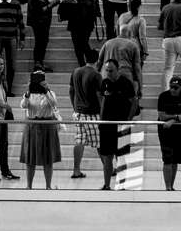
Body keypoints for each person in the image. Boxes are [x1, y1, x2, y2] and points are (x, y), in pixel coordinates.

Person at [20, 70, 62, 190]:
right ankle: (29, 186)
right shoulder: (29, 93)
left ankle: (48, 186)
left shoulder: (50, 93)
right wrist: (28, 93)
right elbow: (23, 105)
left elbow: (54, 104)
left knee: (48, 158)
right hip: (32, 125)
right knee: (30, 157)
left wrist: (46, 90)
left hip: (47, 125)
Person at [98, 58, 136, 190]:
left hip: (121, 125)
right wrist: (101, 120)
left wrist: (128, 120)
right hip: (107, 125)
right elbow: (102, 101)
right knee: (107, 156)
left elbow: (134, 102)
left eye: (111, 70)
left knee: (121, 156)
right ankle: (107, 184)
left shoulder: (126, 83)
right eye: (106, 70)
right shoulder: (105, 83)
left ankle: (122, 184)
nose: (108, 73)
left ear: (117, 70)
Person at [69, 47, 103, 180]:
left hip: (78, 112)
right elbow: (99, 95)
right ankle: (108, 167)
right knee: (101, 142)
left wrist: (74, 107)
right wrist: (102, 111)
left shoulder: (76, 71)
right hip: (93, 112)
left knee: (79, 141)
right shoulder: (96, 75)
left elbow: (71, 91)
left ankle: (76, 170)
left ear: (84, 58)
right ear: (98, 60)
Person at [157, 75, 181, 190]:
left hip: (178, 130)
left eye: (176, 88)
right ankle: (168, 187)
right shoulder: (163, 96)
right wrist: (177, 116)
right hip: (165, 131)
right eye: (171, 87)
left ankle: (171, 186)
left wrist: (173, 119)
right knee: (167, 159)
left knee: (175, 159)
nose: (173, 89)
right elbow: (162, 117)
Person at [59, 0, 97, 66]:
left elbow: (90, 6)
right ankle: (82, 65)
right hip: (75, 22)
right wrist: (68, 2)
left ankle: (91, 61)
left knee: (83, 43)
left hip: (86, 23)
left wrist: (76, 3)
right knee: (77, 46)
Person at [96, 25, 142, 106]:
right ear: (130, 33)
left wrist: (97, 75)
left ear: (118, 32)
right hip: (125, 77)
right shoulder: (133, 45)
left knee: (107, 103)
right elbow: (137, 68)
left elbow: (99, 61)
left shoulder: (108, 43)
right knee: (124, 104)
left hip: (107, 76)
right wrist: (140, 86)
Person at [27, 0, 56, 70]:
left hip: (45, 22)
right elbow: (37, 10)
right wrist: (51, 4)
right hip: (37, 22)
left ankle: (40, 61)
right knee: (39, 41)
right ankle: (37, 62)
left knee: (44, 41)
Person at [118, 0, 149, 65]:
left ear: (128, 5)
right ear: (139, 6)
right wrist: (145, 51)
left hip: (122, 45)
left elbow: (118, 32)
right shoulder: (140, 20)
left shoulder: (122, 16)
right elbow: (142, 37)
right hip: (135, 46)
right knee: (137, 70)